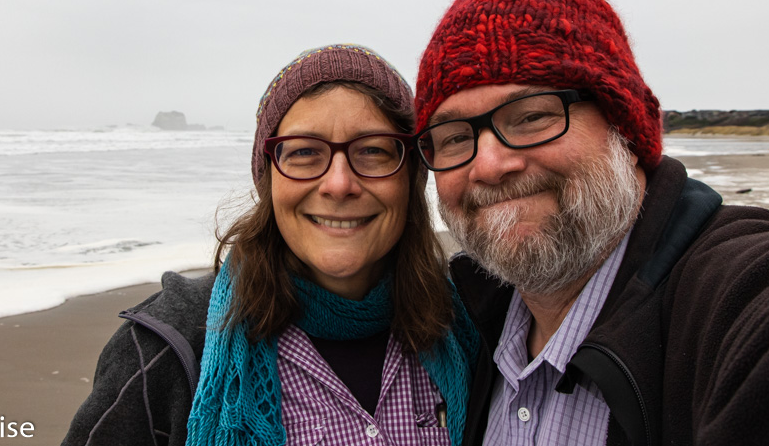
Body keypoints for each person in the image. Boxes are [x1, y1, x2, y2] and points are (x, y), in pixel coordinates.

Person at [412, 0, 769, 446]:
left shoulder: (739, 301)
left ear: (625, 130)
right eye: (455, 137)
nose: (490, 165)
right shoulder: (465, 328)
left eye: (532, 116)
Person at [63, 43, 477, 446]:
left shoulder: (471, 325)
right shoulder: (170, 347)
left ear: (411, 177)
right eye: (303, 152)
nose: (338, 184)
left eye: (373, 150)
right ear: (269, 179)